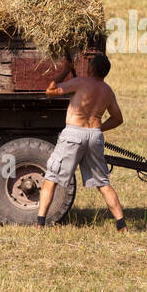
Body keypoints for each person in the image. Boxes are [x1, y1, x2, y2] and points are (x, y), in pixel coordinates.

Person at [36, 53, 127, 231]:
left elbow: (50, 91)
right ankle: (121, 225)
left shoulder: (81, 83)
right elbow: (117, 118)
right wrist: (99, 129)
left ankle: (40, 224)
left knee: (51, 177)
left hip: (73, 134)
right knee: (103, 182)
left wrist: (65, 70)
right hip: (94, 134)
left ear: (91, 68)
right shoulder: (107, 91)